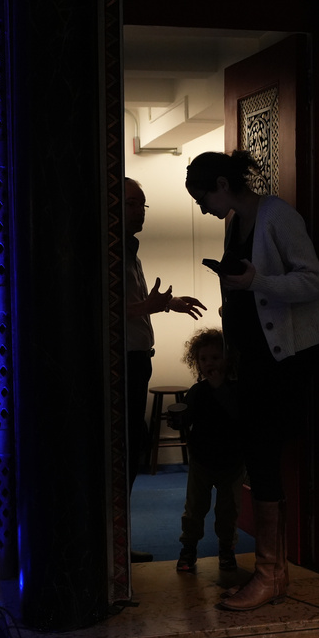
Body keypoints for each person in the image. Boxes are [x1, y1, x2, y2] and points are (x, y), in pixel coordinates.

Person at [184, 151, 319, 610]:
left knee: (264, 455)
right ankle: (273, 572)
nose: (202, 206)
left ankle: (269, 574)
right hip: (254, 359)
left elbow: (314, 282)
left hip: (284, 359)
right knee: (258, 455)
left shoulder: (278, 216)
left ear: (223, 185)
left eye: (202, 196)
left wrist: (256, 282)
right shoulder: (235, 224)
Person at [124, 177, 207, 563]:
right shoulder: (107, 250)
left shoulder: (129, 253)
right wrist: (150, 307)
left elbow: (134, 301)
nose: (139, 211)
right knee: (123, 447)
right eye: (132, 203)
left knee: (131, 445)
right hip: (120, 361)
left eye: (143, 204)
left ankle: (116, 541)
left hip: (138, 358)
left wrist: (166, 303)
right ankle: (111, 542)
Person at [171, 327, 244, 574]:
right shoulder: (197, 391)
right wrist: (177, 420)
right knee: (194, 510)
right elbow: (188, 417)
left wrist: (220, 387)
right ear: (197, 362)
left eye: (215, 357)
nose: (209, 363)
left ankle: (226, 551)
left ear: (227, 359)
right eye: (203, 359)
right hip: (201, 461)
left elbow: (238, 414)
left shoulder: (236, 389)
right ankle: (188, 549)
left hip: (231, 463)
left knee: (228, 511)